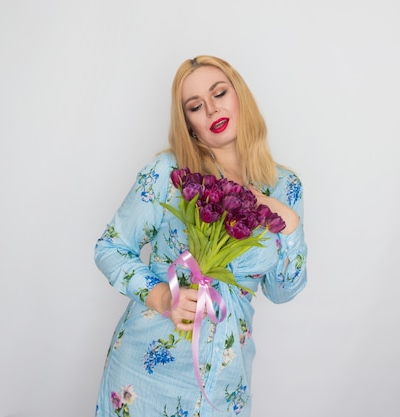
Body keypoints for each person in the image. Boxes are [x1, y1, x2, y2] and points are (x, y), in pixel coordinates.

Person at [94, 55, 307, 417]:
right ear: (189, 123)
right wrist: (162, 296)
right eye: (196, 106)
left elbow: (282, 290)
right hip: (146, 371)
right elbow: (111, 247)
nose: (211, 109)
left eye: (219, 93)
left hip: (224, 376)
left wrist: (289, 223)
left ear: (240, 96)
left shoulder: (285, 187)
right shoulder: (170, 174)